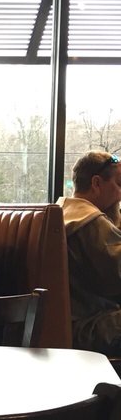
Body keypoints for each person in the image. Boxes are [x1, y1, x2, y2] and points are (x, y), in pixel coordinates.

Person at [58, 150, 121, 354]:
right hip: (87, 328)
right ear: (96, 183)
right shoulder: (91, 223)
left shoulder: (62, 212)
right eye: (119, 184)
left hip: (61, 322)